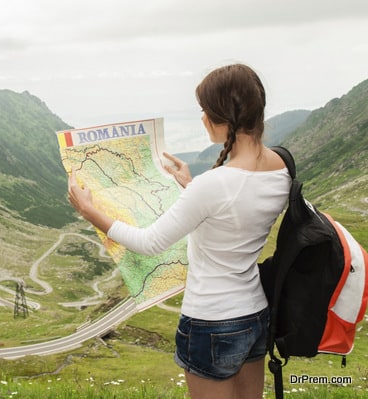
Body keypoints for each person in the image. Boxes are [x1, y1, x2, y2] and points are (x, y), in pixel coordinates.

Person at [68, 63, 291, 399]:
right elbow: (236, 212)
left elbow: (149, 242)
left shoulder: (213, 185)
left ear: (222, 118)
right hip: (255, 314)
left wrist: (89, 210)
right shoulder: (281, 167)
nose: (202, 119)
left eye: (204, 111)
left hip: (210, 321)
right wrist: (190, 186)